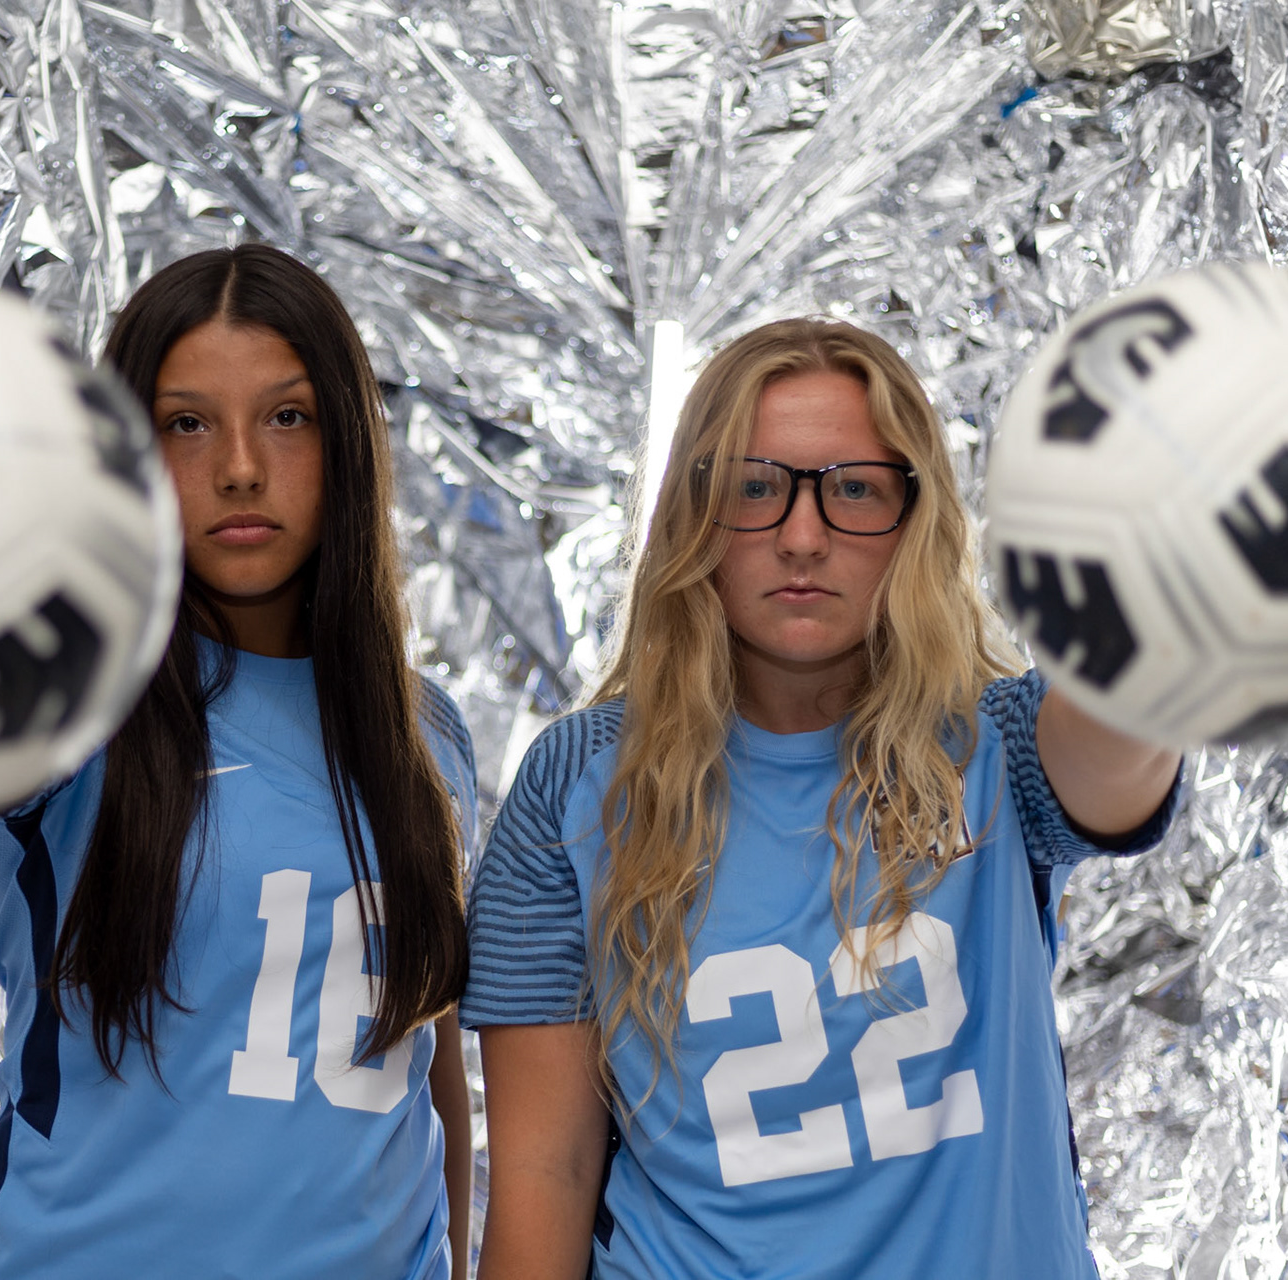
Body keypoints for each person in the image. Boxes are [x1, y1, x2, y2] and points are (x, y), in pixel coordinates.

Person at [463, 317, 1183, 1278]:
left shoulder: (997, 749)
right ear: (692, 517)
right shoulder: (575, 786)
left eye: (854, 491)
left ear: (913, 520)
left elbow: (1135, 719)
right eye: (755, 489)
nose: (803, 538)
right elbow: (544, 1175)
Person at [0, 244, 476, 1280]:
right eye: (185, 422)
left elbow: (428, 1061)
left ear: (347, 444)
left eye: (287, 416)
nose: (239, 464)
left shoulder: (427, 734)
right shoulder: (66, 701)